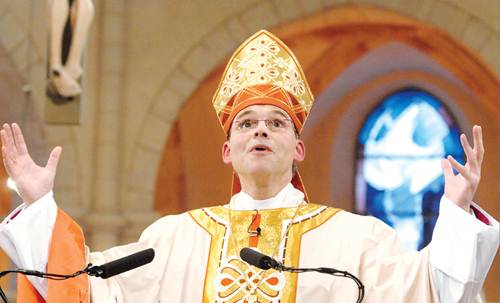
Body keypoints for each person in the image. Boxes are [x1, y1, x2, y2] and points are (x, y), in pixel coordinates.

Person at [0, 30, 498, 303]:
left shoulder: (358, 241)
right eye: (247, 123)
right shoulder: (174, 241)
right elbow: (85, 290)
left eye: (277, 123)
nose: (261, 130)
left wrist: (455, 215)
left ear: (298, 149)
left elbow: (433, 292)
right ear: (227, 150)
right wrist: (39, 207)